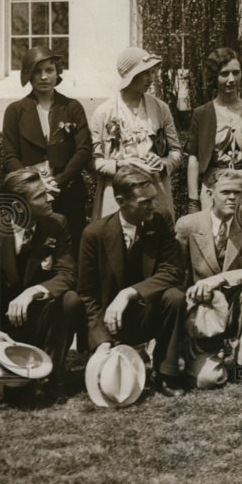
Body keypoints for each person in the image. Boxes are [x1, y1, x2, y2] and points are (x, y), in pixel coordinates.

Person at [78, 165, 187, 396]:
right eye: (144, 202)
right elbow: (87, 293)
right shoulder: (94, 234)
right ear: (120, 201)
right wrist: (101, 339)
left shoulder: (160, 221)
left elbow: (173, 270)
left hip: (149, 312)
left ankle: (166, 372)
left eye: (153, 199)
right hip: (112, 322)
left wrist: (129, 293)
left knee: (175, 297)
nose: (153, 206)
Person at [0, 168, 84, 401]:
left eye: (46, 192)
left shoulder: (57, 224)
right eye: (40, 196)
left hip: (39, 317)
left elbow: (67, 273)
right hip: (3, 326)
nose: (50, 199)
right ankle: (3, 374)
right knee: (9, 394)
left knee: (71, 300)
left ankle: (51, 378)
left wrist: (32, 292)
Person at [176, 169, 242, 377]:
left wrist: (218, 279)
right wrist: (184, 333)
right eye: (225, 192)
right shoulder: (187, 225)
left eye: (237, 193)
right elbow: (176, 280)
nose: (232, 197)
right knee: (208, 380)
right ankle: (207, 350)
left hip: (235, 309)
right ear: (210, 195)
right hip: (203, 313)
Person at [1, 46, 92, 256]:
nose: (44, 77)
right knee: (34, 252)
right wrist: (34, 184)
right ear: (27, 75)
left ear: (57, 72)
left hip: (68, 193)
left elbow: (84, 149)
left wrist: (58, 181)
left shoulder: (72, 107)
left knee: (70, 252)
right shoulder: (15, 111)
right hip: (31, 198)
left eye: (49, 70)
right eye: (37, 71)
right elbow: (10, 155)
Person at [89, 47, 183, 224]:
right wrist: (120, 165)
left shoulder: (160, 109)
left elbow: (176, 152)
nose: (151, 79)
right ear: (130, 76)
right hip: (118, 192)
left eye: (152, 73)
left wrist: (163, 163)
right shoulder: (103, 113)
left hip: (155, 190)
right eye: (145, 73)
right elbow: (93, 161)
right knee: (119, 242)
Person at [185, 48, 242, 217]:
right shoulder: (202, 113)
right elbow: (194, 158)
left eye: (236, 73)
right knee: (213, 237)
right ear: (214, 77)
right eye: (224, 74)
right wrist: (193, 201)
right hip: (214, 184)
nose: (231, 79)